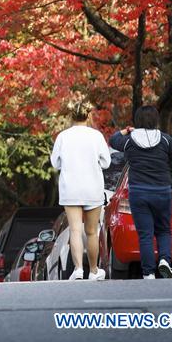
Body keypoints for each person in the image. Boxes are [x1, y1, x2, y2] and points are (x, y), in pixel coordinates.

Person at [110, 104, 172, 279]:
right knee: (164, 230)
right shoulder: (165, 139)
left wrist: (126, 130)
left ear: (137, 121)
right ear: (156, 120)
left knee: (145, 234)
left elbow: (113, 140)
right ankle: (164, 260)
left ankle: (148, 273)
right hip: (162, 191)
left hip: (138, 193)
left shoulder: (129, 140)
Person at [50, 98, 111, 281]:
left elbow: (55, 163)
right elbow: (106, 162)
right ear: (88, 115)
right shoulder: (96, 136)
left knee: (75, 230)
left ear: (71, 116)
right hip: (92, 188)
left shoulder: (63, 136)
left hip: (71, 188)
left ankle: (77, 269)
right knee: (91, 232)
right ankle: (93, 270)